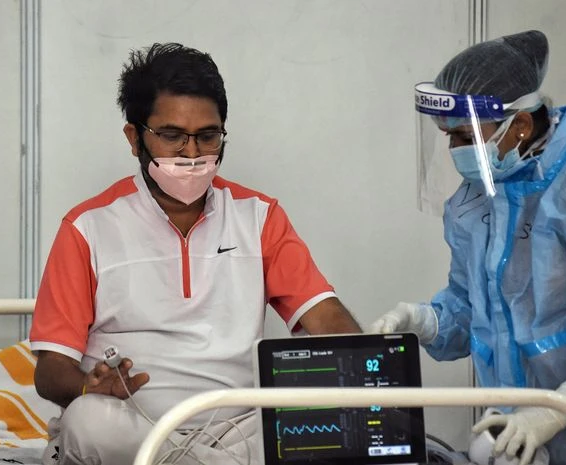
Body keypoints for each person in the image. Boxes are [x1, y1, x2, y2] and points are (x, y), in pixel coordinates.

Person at [29, 42, 361, 465]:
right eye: (172, 136)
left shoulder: (258, 216)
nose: (191, 153)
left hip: (238, 427)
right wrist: (87, 388)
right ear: (135, 138)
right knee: (88, 422)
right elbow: (51, 369)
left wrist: (369, 373)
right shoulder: (87, 227)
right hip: (131, 424)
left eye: (207, 136)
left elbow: (325, 316)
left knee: (326, 418)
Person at [372, 30, 566, 465]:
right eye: (447, 137)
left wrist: (561, 406)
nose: (454, 150)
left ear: (521, 125)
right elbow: (476, 306)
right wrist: (425, 321)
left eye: (464, 135)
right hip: (531, 439)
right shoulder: (481, 199)